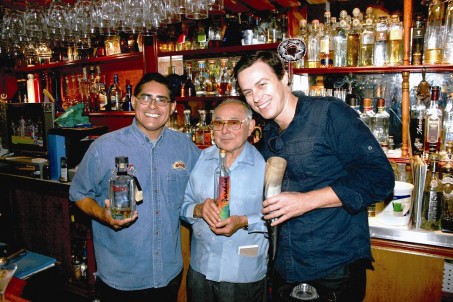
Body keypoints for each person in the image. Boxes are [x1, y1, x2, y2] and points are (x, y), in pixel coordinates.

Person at [233, 51, 395, 302]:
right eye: (247, 92)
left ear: (284, 77)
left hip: (332, 269)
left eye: (262, 84)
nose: (256, 97)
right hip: (284, 267)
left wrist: (306, 201)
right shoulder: (269, 134)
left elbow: (379, 177)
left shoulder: (329, 114)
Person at [69, 72, 200, 302]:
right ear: (134, 101)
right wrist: (102, 214)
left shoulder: (185, 147)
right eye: (146, 97)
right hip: (121, 278)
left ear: (172, 108)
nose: (153, 105)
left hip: (168, 274)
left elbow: (201, 190)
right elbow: (78, 193)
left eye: (162, 100)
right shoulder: (104, 147)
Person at [180, 99, 268, 302]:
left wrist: (243, 221)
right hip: (200, 271)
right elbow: (182, 206)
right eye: (219, 123)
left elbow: (278, 220)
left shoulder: (266, 166)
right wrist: (198, 209)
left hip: (243, 273)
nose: (225, 130)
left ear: (251, 127)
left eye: (234, 122)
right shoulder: (201, 160)